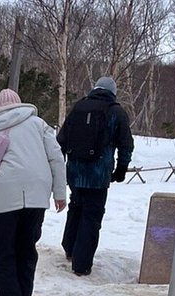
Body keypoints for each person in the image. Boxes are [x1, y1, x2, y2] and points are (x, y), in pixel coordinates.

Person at [0, 88, 67, 296]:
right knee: (27, 246)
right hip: (37, 193)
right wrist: (59, 192)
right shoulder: (39, 125)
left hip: (5, 193)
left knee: (5, 250)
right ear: (20, 103)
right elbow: (56, 157)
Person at [57, 76, 134, 276]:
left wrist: (60, 166)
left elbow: (61, 140)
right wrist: (121, 170)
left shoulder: (78, 107)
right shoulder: (116, 111)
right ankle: (81, 264)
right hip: (98, 175)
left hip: (74, 171)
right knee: (91, 217)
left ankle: (69, 248)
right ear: (112, 92)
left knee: (76, 208)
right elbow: (126, 144)